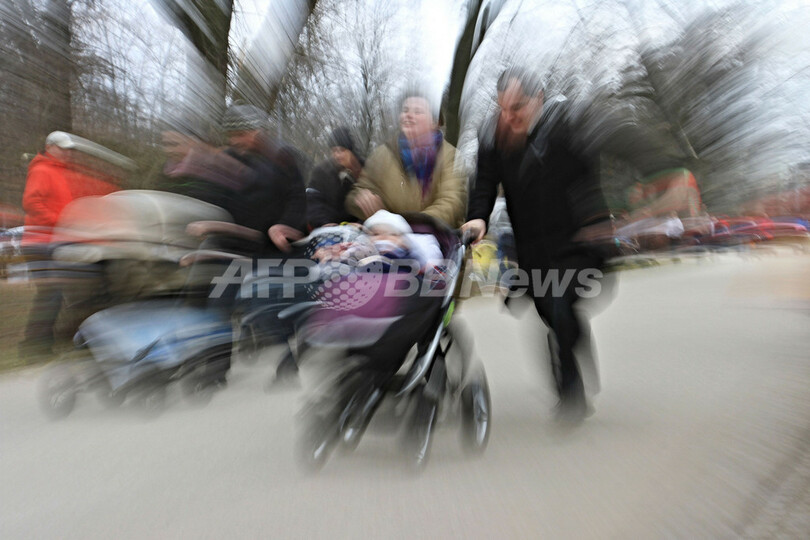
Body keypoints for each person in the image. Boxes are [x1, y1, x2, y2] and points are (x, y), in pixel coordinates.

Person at [462, 67, 612, 424]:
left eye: (518, 107)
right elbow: (484, 183)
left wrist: (595, 219)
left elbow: (588, 173)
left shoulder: (564, 126)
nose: (509, 117)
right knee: (552, 313)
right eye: (502, 108)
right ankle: (571, 352)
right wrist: (478, 217)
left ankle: (571, 393)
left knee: (560, 306)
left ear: (539, 99)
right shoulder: (494, 137)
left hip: (576, 240)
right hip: (532, 246)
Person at [19, 131, 126, 357]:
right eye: (62, 148)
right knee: (51, 293)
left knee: (64, 292)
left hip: (57, 241)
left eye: (69, 150)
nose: (67, 153)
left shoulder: (62, 172)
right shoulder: (42, 170)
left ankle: (52, 342)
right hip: (41, 241)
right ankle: (34, 347)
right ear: (49, 147)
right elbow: (31, 203)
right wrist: (62, 222)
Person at [345, 90, 467, 228]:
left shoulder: (451, 156)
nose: (408, 115)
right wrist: (361, 198)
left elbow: (451, 203)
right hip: (385, 235)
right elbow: (355, 195)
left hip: (437, 236)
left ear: (434, 122)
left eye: (417, 111)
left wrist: (403, 225)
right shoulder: (382, 154)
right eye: (405, 110)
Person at [307, 127, 364, 228]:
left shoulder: (365, 169)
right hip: (329, 227)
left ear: (351, 151)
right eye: (334, 151)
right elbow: (313, 200)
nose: (337, 155)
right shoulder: (321, 172)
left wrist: (361, 223)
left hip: (360, 228)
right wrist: (323, 223)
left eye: (342, 150)